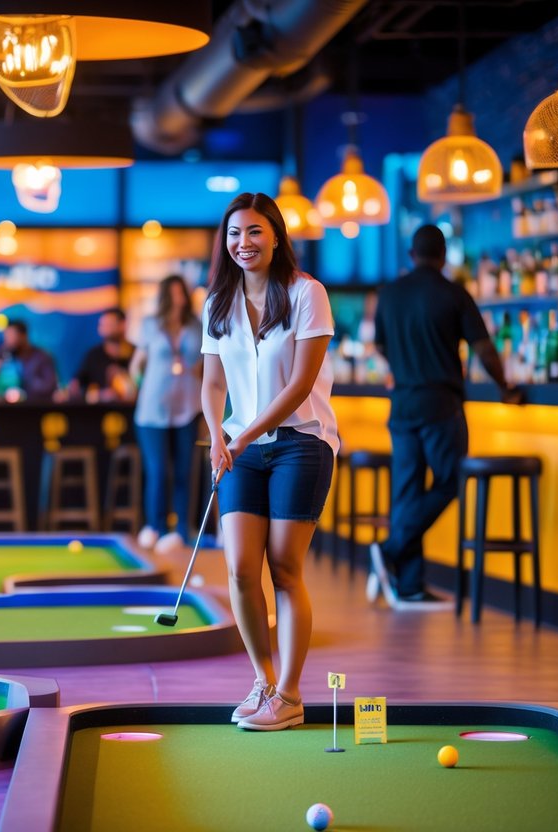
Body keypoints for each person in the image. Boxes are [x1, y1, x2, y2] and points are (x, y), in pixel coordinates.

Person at [201, 192, 338, 732]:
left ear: (276, 236)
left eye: (255, 231)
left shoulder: (307, 293)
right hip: (240, 449)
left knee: (283, 567)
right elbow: (213, 384)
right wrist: (217, 436)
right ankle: (262, 681)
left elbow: (301, 384)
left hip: (302, 443)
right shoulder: (217, 303)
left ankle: (290, 694)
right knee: (239, 568)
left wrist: (243, 435)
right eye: (235, 233)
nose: (244, 243)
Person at [370, 225, 522, 611]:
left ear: (412, 255)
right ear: (443, 257)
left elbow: (380, 345)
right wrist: (505, 387)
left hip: (402, 405)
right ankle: (390, 551)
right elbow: (484, 349)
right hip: (440, 405)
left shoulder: (389, 294)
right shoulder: (454, 293)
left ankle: (409, 585)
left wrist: (402, 366)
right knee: (452, 480)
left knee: (407, 494)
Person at [131, 276, 203, 554]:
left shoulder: (197, 326)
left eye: (181, 292)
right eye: (172, 293)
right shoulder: (150, 325)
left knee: (185, 470)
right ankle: (156, 527)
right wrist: (141, 386)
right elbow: (136, 366)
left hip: (188, 407)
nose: (178, 298)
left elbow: (206, 363)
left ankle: (182, 530)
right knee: (159, 471)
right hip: (152, 411)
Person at [67, 307, 136, 402]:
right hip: (100, 410)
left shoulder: (136, 354)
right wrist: (99, 395)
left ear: (123, 325)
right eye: (102, 325)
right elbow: (76, 386)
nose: (104, 328)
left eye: (109, 324)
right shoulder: (93, 356)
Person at [0, 319, 58, 400]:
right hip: (2, 403)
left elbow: (50, 386)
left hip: (34, 404)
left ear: (24, 336)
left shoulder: (41, 357)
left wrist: (25, 385)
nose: (9, 341)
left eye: (12, 336)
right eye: (7, 336)